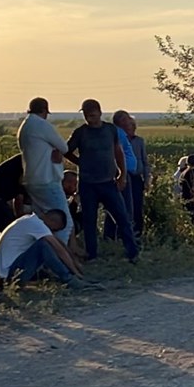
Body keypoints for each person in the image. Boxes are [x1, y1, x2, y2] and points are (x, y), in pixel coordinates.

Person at [65, 98, 138, 263]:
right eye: (85, 115)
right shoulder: (81, 132)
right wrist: (79, 162)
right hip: (88, 184)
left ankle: (133, 253)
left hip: (108, 182)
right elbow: (66, 150)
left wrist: (122, 174)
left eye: (91, 114)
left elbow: (118, 152)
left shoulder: (110, 130)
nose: (88, 118)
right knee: (89, 221)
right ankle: (92, 256)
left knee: (122, 218)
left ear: (99, 112)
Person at [0, 210, 99, 290]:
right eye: (54, 229)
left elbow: (58, 242)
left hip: (3, 275)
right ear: (51, 220)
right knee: (43, 246)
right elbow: (58, 248)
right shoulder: (36, 224)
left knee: (46, 246)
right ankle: (69, 279)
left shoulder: (29, 220)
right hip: (8, 277)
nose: (53, 232)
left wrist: (74, 263)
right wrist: (74, 272)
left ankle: (62, 276)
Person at [18, 97, 72, 243]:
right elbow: (64, 147)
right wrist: (57, 150)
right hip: (47, 180)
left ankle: (43, 258)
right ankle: (60, 258)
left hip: (31, 180)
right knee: (63, 223)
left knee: (42, 224)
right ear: (44, 110)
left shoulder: (25, 126)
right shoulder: (41, 125)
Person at [103, 110, 138, 241]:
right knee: (124, 208)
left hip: (125, 172)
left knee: (117, 206)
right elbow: (117, 153)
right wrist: (121, 172)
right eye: (127, 119)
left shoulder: (121, 133)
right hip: (123, 173)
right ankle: (123, 239)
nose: (130, 121)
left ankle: (113, 237)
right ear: (121, 121)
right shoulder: (118, 133)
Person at [0, 153, 26, 233]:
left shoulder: (23, 160)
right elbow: (19, 198)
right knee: (11, 230)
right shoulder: (25, 163)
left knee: (8, 229)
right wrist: (21, 221)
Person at [124, 116, 150, 232]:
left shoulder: (139, 141)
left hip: (136, 178)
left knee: (137, 207)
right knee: (124, 207)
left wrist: (146, 180)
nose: (130, 128)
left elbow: (145, 162)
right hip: (124, 177)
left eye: (131, 125)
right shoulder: (119, 141)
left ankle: (138, 233)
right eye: (127, 126)